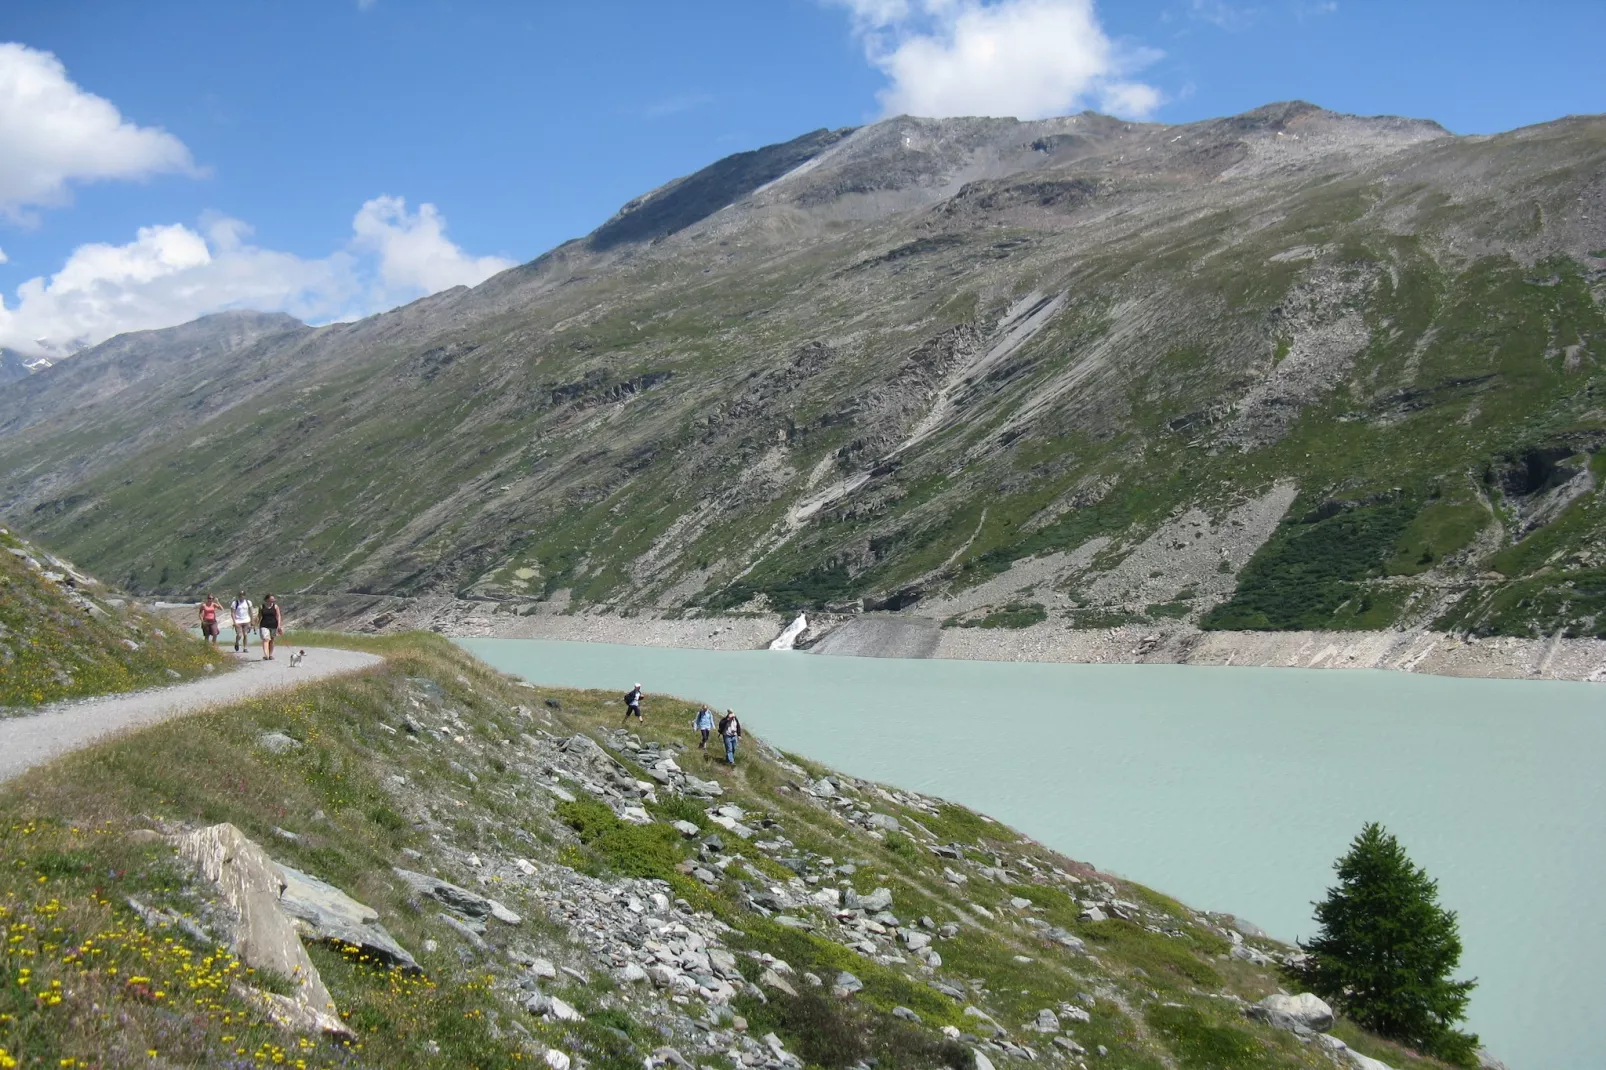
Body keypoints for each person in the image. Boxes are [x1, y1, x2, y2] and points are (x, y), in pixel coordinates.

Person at [258, 594, 284, 661]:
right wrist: (255, 624)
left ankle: (270, 655)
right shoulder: (261, 607)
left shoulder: (275, 606)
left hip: (273, 625)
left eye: (273, 599)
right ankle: (266, 655)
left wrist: (279, 625)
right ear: (267, 599)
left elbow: (278, 616)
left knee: (272, 640)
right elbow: (259, 616)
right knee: (266, 639)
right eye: (271, 599)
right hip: (264, 625)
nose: (273, 601)